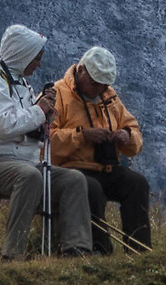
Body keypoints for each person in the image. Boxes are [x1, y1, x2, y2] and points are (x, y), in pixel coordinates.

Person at [0, 24, 94, 258]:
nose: (38, 64)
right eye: (36, 58)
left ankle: (76, 249)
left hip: (20, 160)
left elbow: (26, 124)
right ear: (22, 55)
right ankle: (13, 253)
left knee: (74, 179)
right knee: (29, 176)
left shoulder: (21, 83)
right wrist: (39, 110)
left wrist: (44, 115)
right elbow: (3, 126)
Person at [45, 45, 149, 253]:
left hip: (107, 167)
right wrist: (82, 135)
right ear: (81, 70)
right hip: (71, 169)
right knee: (92, 190)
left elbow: (135, 133)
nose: (98, 89)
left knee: (137, 184)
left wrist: (126, 136)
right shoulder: (58, 94)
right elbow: (47, 142)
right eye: (94, 83)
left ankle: (139, 250)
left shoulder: (109, 97)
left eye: (103, 85)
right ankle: (100, 250)